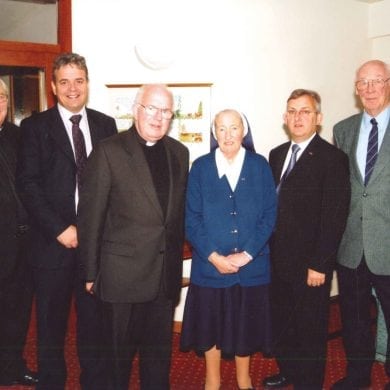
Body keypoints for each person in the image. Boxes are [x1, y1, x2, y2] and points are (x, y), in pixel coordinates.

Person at [77, 84, 189, 390]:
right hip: (120, 280)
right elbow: (91, 217)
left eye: (166, 111)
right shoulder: (109, 150)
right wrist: (89, 272)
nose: (158, 116)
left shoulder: (180, 153)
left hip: (163, 281)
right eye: (151, 108)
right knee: (117, 365)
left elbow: (175, 218)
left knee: (157, 362)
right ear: (135, 109)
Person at [16, 53, 117, 390]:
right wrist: (60, 229)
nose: (72, 88)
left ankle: (97, 384)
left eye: (79, 80)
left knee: (95, 325)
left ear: (87, 83)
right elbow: (28, 185)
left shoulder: (106, 125)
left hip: (96, 248)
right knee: (49, 327)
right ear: (53, 87)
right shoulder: (34, 127)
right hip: (51, 247)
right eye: (64, 81)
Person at [180, 109, 277, 390]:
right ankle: (212, 380)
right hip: (210, 268)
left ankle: (243, 380)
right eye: (221, 128)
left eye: (233, 127)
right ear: (214, 133)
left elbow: (269, 215)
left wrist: (246, 254)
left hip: (252, 269)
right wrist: (213, 256)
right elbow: (191, 218)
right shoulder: (200, 167)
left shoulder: (260, 166)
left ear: (243, 131)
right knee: (209, 327)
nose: (228, 134)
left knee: (245, 327)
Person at [263, 89, 350, 389]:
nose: (298, 117)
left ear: (318, 118)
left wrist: (320, 264)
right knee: (283, 323)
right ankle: (288, 370)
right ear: (285, 118)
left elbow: (334, 217)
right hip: (276, 261)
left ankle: (309, 382)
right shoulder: (275, 155)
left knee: (310, 329)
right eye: (292, 111)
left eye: (305, 111)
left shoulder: (333, 159)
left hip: (310, 265)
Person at [331, 59, 390, 390]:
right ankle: (358, 376)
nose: (369, 89)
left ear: (388, 84)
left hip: (388, 242)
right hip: (352, 244)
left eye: (376, 81)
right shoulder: (343, 129)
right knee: (353, 318)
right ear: (356, 89)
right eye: (362, 83)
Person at [0, 79, 38, 387]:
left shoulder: (19, 136)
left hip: (24, 245)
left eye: (0, 98)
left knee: (18, 313)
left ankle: (12, 368)